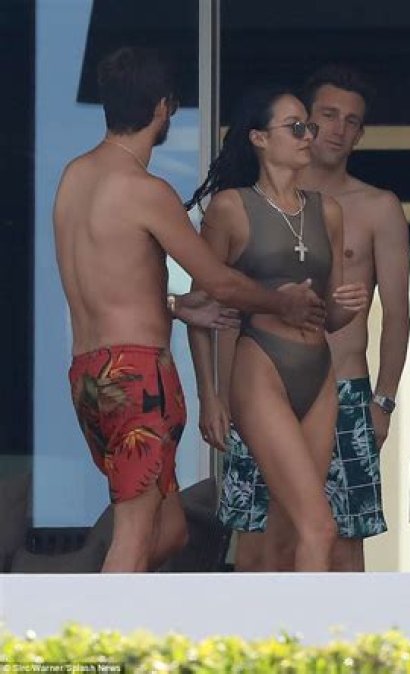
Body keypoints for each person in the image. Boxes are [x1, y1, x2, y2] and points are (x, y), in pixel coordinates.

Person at [54, 47, 325, 573]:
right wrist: (282, 302)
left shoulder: (73, 178)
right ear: (163, 108)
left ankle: (91, 593)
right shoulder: (146, 190)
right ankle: (88, 625)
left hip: (89, 373)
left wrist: (176, 307)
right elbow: (219, 279)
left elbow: (104, 279)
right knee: (135, 535)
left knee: (171, 530)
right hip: (137, 375)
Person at [219, 66, 410, 572]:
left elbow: (397, 315)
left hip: (343, 387)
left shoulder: (378, 206)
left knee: (343, 545)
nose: (338, 129)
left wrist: (383, 402)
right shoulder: (250, 204)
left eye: (352, 121)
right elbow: (222, 304)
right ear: (303, 121)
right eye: (327, 115)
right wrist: (218, 393)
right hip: (264, 381)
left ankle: (334, 631)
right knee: (257, 541)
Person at [185, 86, 368, 572]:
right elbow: (201, 306)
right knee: (320, 526)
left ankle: (269, 618)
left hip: (319, 370)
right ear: (260, 138)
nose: (309, 136)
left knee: (287, 534)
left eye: (309, 127)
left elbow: (329, 315)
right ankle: (307, 625)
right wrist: (210, 395)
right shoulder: (231, 207)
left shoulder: (328, 210)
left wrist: (347, 308)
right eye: (296, 127)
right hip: (261, 364)